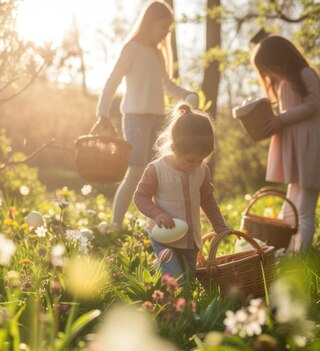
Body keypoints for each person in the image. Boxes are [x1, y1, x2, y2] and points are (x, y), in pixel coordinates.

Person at [94, 1, 198, 229]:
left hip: (157, 120)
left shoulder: (157, 54)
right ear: (149, 24)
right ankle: (115, 225)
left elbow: (168, 85)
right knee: (136, 171)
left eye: (168, 29)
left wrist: (187, 94)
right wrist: (102, 113)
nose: (165, 33)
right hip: (135, 119)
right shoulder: (132, 49)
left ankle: (153, 226)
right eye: (163, 27)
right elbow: (113, 80)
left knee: (156, 174)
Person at [251, 35, 320, 252]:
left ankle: (299, 259)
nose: (269, 74)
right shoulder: (283, 83)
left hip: (311, 147)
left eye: (269, 67)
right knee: (290, 209)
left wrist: (281, 119)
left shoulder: (306, 74)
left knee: (304, 210)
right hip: (298, 150)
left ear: (280, 59)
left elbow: (313, 106)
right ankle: (284, 254)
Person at [133, 103, 230, 283]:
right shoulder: (156, 169)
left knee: (189, 280)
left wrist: (219, 224)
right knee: (176, 281)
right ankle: (171, 304)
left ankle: (170, 288)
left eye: (202, 159)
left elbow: (207, 200)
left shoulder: (202, 171)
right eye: (191, 160)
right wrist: (157, 214)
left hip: (190, 240)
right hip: (163, 236)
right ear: (173, 147)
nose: (195, 164)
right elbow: (140, 197)